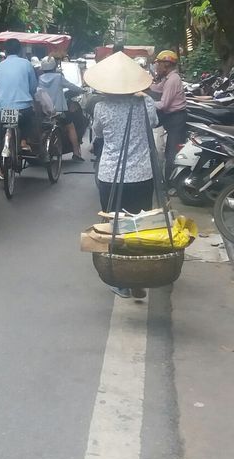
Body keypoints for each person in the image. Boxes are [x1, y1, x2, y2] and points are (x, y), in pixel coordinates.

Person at [85, 52, 158, 300]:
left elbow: (99, 134)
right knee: (138, 225)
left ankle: (122, 281)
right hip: (142, 174)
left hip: (111, 175)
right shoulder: (145, 103)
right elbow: (154, 123)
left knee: (115, 226)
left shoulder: (101, 107)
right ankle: (139, 275)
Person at [150, 50, 187, 185]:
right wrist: (144, 86)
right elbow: (157, 88)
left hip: (176, 118)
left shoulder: (172, 80)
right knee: (169, 150)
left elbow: (164, 105)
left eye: (158, 64)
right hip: (172, 117)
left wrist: (147, 102)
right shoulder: (168, 78)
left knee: (172, 152)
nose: (156, 67)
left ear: (166, 65)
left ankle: (170, 185)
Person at [38, 56, 85, 161]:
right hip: (59, 112)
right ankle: (76, 152)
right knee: (70, 127)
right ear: (54, 67)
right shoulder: (58, 77)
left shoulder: (39, 78)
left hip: (43, 112)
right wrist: (82, 90)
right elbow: (71, 86)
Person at [0, 38, 37, 151]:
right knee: (28, 120)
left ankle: (0, 143)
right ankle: (23, 141)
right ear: (20, 50)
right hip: (22, 109)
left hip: (1, 108)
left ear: (6, 51)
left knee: (1, 127)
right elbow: (33, 87)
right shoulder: (27, 64)